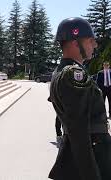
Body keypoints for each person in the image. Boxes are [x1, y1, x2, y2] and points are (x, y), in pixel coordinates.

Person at [49, 17, 111, 180]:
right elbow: (79, 131)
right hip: (93, 155)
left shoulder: (61, 71)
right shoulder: (73, 74)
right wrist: (91, 175)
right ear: (75, 43)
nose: (95, 45)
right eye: (91, 41)